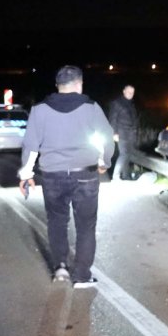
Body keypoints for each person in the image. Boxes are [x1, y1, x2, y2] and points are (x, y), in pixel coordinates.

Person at [18, 65, 115, 287]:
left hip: (52, 175)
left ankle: (60, 268)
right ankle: (81, 275)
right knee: (86, 226)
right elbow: (106, 138)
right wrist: (103, 162)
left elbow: (31, 146)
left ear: (58, 86)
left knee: (57, 222)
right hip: (85, 175)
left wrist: (26, 174)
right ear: (79, 84)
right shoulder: (91, 107)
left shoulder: (39, 109)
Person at [107, 83, 140, 181]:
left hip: (131, 134)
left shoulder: (131, 104)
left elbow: (134, 119)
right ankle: (115, 176)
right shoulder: (117, 103)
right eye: (129, 92)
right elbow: (113, 119)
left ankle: (126, 176)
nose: (130, 94)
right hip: (121, 133)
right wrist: (114, 133)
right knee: (124, 154)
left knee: (128, 155)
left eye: (132, 92)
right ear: (124, 91)